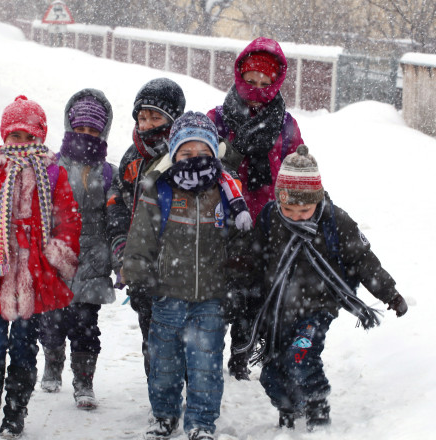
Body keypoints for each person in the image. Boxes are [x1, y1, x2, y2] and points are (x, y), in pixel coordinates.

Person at [235, 145, 408, 432]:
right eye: (288, 208)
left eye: (304, 209)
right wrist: (239, 287)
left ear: (316, 199)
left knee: (300, 357)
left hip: (317, 309)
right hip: (279, 309)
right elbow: (254, 258)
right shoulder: (271, 218)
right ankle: (289, 408)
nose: (296, 216)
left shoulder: (335, 221)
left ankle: (317, 408)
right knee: (271, 374)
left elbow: (364, 260)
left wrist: (389, 293)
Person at [0, 95, 82, 439]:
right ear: (4, 135)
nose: (20, 143)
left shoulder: (52, 170)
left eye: (28, 137)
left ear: (39, 137)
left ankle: (16, 409)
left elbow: (67, 218)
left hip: (33, 271)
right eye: (14, 136)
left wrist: (57, 252)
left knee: (25, 346)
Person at [122, 112, 252, 440]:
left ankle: (201, 423)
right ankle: (164, 416)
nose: (195, 160)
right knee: (164, 363)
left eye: (203, 153)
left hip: (210, 297)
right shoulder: (160, 188)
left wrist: (238, 282)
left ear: (215, 153)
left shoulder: (226, 193)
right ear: (174, 154)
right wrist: (138, 280)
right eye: (186, 154)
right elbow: (141, 238)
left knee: (205, 366)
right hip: (167, 294)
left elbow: (240, 245)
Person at [207, 36, 305, 381]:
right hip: (221, 216)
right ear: (239, 76)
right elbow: (202, 161)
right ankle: (209, 354)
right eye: (251, 81)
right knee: (218, 291)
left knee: (254, 291)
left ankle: (241, 354)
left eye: (266, 83)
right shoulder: (217, 119)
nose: (258, 89)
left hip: (268, 220)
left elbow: (299, 171)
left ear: (276, 82)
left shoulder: (286, 125)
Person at [38, 89, 117, 411]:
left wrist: (116, 255)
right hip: (58, 258)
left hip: (93, 260)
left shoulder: (107, 173)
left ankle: (84, 381)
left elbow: (114, 217)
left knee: (86, 324)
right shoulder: (52, 167)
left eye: (93, 131)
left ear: (103, 132)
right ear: (70, 128)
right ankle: (53, 360)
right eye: (80, 129)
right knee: (53, 322)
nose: (86, 136)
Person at [106, 78, 186, 378]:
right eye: (142, 116)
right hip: (143, 265)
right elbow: (117, 206)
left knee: (185, 336)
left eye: (156, 117)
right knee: (152, 337)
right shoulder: (133, 158)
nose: (148, 123)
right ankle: (161, 398)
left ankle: (191, 396)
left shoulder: (187, 153)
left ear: (173, 119)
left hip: (183, 263)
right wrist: (122, 251)